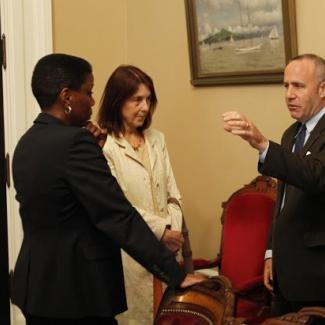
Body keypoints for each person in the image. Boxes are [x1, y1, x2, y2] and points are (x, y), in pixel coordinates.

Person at [11, 53, 203, 325]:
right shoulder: (77, 143)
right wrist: (176, 273)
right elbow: (116, 215)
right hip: (76, 293)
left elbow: (62, 205)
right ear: (66, 97)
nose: (91, 102)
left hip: (36, 288)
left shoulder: (26, 142)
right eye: (87, 93)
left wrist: (93, 153)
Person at [222, 53, 325, 317]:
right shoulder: (292, 134)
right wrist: (270, 251)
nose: (289, 94)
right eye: (286, 85)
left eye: (298, 86)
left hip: (317, 278)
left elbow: (314, 176)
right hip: (284, 279)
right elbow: (282, 200)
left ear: (323, 89)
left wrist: (263, 145)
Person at [97, 65, 184, 324]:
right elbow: (120, 206)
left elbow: (174, 195)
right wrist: (161, 232)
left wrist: (172, 230)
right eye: (137, 100)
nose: (145, 107)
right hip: (130, 259)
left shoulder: (157, 139)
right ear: (117, 100)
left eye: (148, 99)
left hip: (169, 253)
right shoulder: (105, 146)